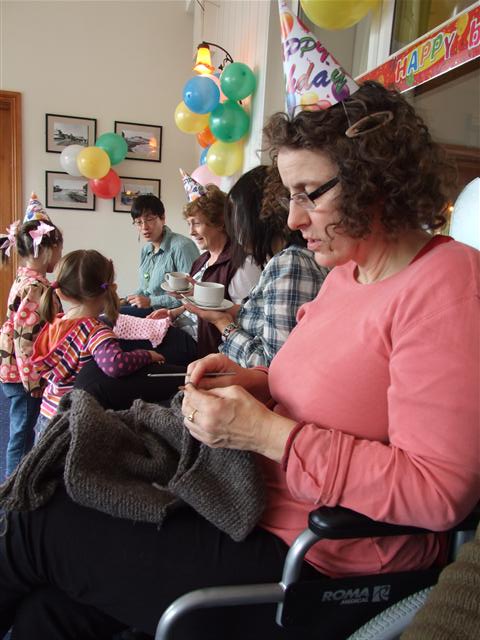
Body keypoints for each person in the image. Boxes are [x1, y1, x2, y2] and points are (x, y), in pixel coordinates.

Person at [0, 81, 478, 640]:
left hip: (315, 563)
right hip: (241, 503)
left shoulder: (448, 286)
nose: (293, 219)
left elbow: (440, 493)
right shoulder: (346, 276)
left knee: (34, 523)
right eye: (290, 196)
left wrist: (266, 433)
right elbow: (323, 383)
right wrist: (253, 381)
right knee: (49, 608)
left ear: (373, 179)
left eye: (309, 193)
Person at [181, 165, 328, 367]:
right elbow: (261, 317)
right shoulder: (287, 260)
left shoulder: (289, 263)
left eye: (237, 218)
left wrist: (223, 324)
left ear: (257, 217)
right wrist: (218, 308)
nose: (235, 230)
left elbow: (272, 365)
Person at [31, 249, 164, 436]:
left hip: (46, 414)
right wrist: (147, 355)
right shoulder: (95, 331)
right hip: (72, 421)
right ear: (107, 289)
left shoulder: (57, 322)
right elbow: (115, 365)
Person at [0, 194, 63, 476]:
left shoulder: (24, 278)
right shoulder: (36, 288)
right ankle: (14, 484)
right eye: (59, 250)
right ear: (47, 249)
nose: (59, 257)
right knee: (22, 432)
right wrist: (33, 382)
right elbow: (25, 340)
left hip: (15, 370)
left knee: (22, 428)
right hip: (24, 376)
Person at [120, 194, 199, 317]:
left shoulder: (182, 246)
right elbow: (144, 289)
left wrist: (151, 301)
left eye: (149, 219)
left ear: (163, 218)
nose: (144, 227)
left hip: (170, 314)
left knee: (110, 318)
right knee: (106, 311)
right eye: (138, 222)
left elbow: (193, 294)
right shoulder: (146, 249)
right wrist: (126, 300)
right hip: (148, 308)